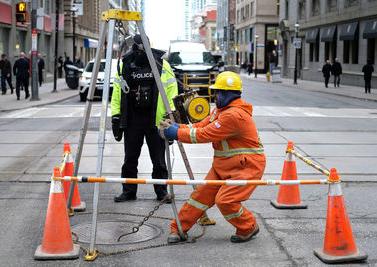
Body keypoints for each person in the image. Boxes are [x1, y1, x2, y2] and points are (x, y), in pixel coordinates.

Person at [158, 71, 266, 244]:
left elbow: (203, 135)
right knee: (199, 197)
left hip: (245, 168)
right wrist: (179, 127)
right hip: (223, 166)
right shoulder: (220, 111)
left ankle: (248, 226)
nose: (214, 95)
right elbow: (199, 127)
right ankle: (178, 229)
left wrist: (176, 133)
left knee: (225, 201)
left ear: (229, 94)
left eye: (218, 92)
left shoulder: (233, 115)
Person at [111, 34, 178, 203]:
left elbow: (171, 92)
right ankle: (128, 191)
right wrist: (116, 117)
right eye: (136, 51)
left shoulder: (162, 65)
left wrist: (171, 119)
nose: (139, 54)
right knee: (130, 159)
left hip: (156, 120)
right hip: (133, 120)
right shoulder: (125, 64)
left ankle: (162, 191)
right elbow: (117, 92)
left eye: (142, 51)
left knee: (159, 160)